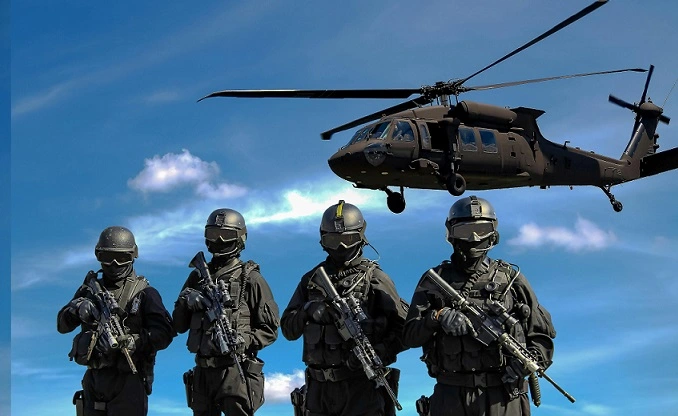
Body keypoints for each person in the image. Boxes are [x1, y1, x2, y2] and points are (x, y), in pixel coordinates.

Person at [402, 196, 556, 416]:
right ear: (451, 234)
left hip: (503, 396)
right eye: (465, 231)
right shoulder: (435, 280)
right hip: (451, 395)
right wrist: (437, 317)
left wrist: (529, 361)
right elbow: (409, 336)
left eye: (481, 230)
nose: (473, 239)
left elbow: (541, 336)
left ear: (493, 233)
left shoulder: (512, 279)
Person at [281, 200, 409, 416]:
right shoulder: (311, 280)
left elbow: (406, 329)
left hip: (360, 387)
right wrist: (307, 310)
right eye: (333, 240)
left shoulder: (375, 278)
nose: (341, 247)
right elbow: (287, 329)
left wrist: (382, 350)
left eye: (348, 239)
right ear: (322, 240)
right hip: (318, 390)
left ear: (361, 237)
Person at [57, 226, 175, 416]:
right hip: (94, 378)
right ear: (98, 255)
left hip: (129, 378)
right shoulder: (89, 289)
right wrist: (78, 309)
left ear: (132, 256)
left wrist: (135, 341)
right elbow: (62, 326)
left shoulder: (145, 293)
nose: (114, 264)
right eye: (107, 257)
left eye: (121, 258)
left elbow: (165, 333)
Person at [173, 208, 279, 416]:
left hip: (235, 370)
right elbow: (178, 325)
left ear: (240, 238)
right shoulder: (197, 278)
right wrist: (186, 301)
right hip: (203, 372)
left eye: (227, 235)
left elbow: (270, 329)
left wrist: (245, 340)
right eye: (214, 235)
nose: (220, 240)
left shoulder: (251, 279)